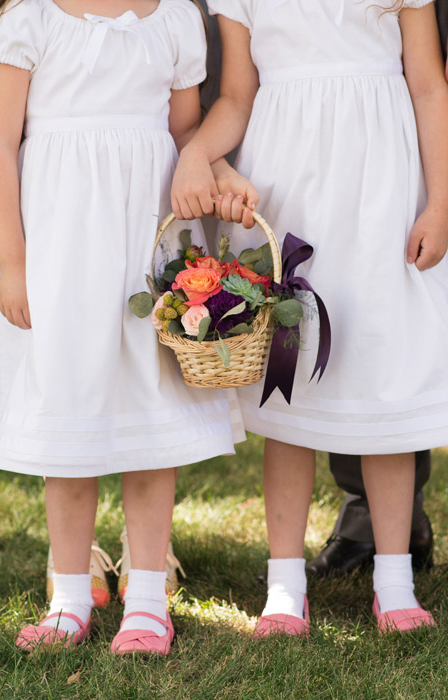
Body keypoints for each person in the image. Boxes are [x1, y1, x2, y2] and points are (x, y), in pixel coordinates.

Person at [172, 0, 448, 635]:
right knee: (286, 384)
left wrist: (439, 202)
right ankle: (284, 584)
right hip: (289, 177)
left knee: (385, 372)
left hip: (382, 182)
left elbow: (428, 82)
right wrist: (198, 154)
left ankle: (395, 581)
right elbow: (238, 94)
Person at [0, 0, 244, 655]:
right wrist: (13, 261)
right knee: (68, 412)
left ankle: (148, 601)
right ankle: (69, 597)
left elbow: (185, 137)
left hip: (146, 244)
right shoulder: (28, 23)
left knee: (150, 415)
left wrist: (215, 169)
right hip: (58, 246)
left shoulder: (175, 21)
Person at [308, 0, 448, 578]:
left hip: (401, 110)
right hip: (324, 124)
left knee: (401, 327)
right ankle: (376, 510)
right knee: (356, 312)